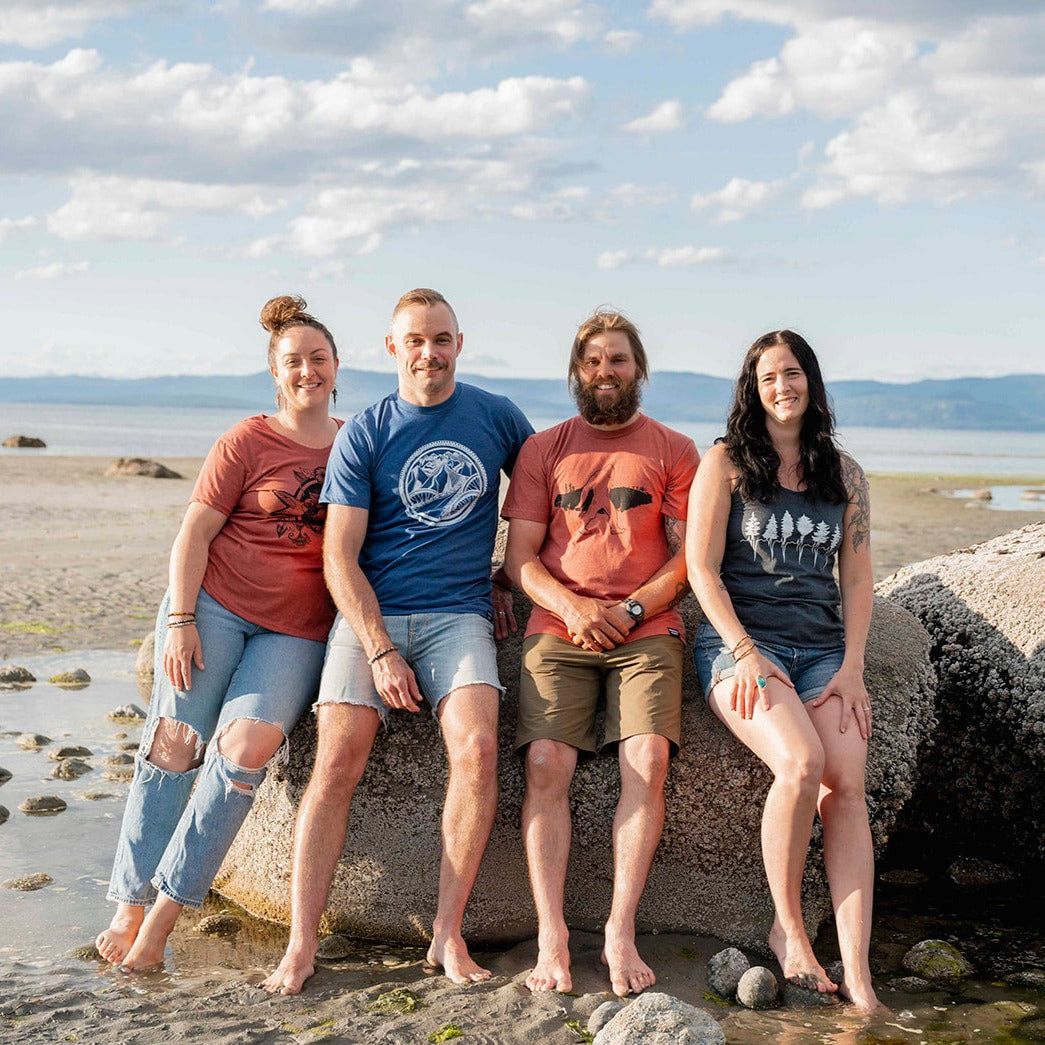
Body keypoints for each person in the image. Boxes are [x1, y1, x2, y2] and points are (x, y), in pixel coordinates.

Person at [262, 288, 533, 995]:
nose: (429, 352)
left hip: (457, 616)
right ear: (392, 349)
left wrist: (511, 577)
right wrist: (379, 647)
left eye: (440, 339)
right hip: (370, 616)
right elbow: (339, 557)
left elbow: (543, 502)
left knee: (475, 748)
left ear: (459, 343)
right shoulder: (367, 430)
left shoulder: (497, 417)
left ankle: (447, 933)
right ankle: (300, 940)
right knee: (337, 759)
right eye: (415, 340)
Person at [96, 296, 343, 970]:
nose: (306, 370)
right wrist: (179, 622)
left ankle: (167, 911)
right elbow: (194, 532)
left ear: (336, 366)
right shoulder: (246, 439)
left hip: (296, 631)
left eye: (317, 358)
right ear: (275, 372)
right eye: (293, 361)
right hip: (214, 605)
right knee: (175, 743)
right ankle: (130, 899)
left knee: (244, 749)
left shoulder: (356, 442)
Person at [501, 310, 699, 997]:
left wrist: (630, 609)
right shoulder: (544, 449)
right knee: (545, 762)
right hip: (559, 628)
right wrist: (576, 607)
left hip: (646, 628)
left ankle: (619, 928)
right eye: (592, 361)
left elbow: (686, 560)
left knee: (646, 758)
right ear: (575, 371)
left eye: (617, 360)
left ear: (637, 369)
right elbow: (518, 558)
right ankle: (551, 932)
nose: (604, 372)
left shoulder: (674, 449)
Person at [685, 329, 879, 1010]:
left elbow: (856, 580)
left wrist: (852, 667)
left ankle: (856, 970)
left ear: (811, 382)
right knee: (799, 762)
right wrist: (741, 648)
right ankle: (788, 927)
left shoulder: (844, 473)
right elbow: (700, 570)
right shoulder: (727, 462)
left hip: (823, 649)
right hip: (742, 645)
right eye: (768, 377)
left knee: (845, 782)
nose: (781, 387)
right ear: (752, 388)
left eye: (791, 374)